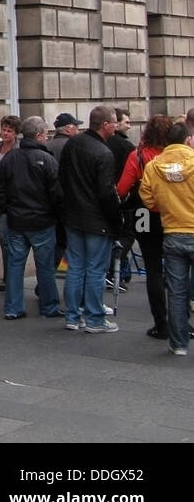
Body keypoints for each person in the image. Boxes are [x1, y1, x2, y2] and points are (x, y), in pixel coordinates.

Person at [58, 106, 123, 332]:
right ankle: (95, 318)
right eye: (114, 122)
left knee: (75, 266)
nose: (116, 125)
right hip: (96, 219)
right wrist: (116, 221)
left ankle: (72, 316)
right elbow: (107, 193)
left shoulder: (73, 144)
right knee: (95, 269)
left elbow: (62, 179)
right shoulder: (104, 153)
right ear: (105, 124)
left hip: (73, 215)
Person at [0, 116, 63, 320]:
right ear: (39, 135)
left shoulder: (11, 158)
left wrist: (9, 209)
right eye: (46, 134)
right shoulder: (48, 160)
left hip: (16, 220)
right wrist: (53, 214)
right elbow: (56, 194)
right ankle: (48, 306)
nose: (47, 137)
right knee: (45, 266)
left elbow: (0, 190)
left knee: (15, 265)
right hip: (42, 221)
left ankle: (13, 307)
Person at [140, 120, 194, 356]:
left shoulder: (154, 166)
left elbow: (147, 199)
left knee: (177, 291)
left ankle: (179, 343)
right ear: (188, 140)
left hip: (172, 231)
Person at [117, 115, 172, 340]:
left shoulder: (137, 156)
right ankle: (181, 321)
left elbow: (122, 190)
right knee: (178, 268)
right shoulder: (176, 155)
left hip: (143, 214)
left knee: (153, 269)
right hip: (172, 213)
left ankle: (160, 322)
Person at [106, 108, 136, 293]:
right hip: (122, 198)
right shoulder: (126, 147)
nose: (129, 125)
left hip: (105, 197)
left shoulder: (104, 142)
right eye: (126, 122)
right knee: (127, 235)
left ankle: (116, 270)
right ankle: (112, 270)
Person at [0, 115, 21, 291]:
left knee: (6, 238)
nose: (5, 133)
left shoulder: (17, 149)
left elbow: (11, 174)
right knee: (3, 241)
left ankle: (11, 278)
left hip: (9, 202)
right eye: (3, 129)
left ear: (16, 133)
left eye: (9, 130)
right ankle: (8, 277)